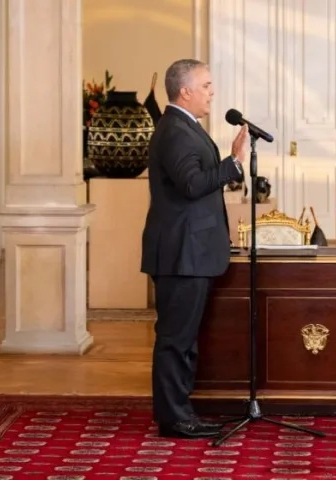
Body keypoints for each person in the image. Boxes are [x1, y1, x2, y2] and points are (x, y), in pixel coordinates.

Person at [141, 58, 248, 439]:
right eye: (205, 85)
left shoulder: (185, 126)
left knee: (184, 339)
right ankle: (174, 418)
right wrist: (233, 163)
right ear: (184, 91)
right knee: (175, 339)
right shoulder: (175, 130)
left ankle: (181, 410)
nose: (212, 92)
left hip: (192, 251)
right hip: (181, 254)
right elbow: (191, 184)